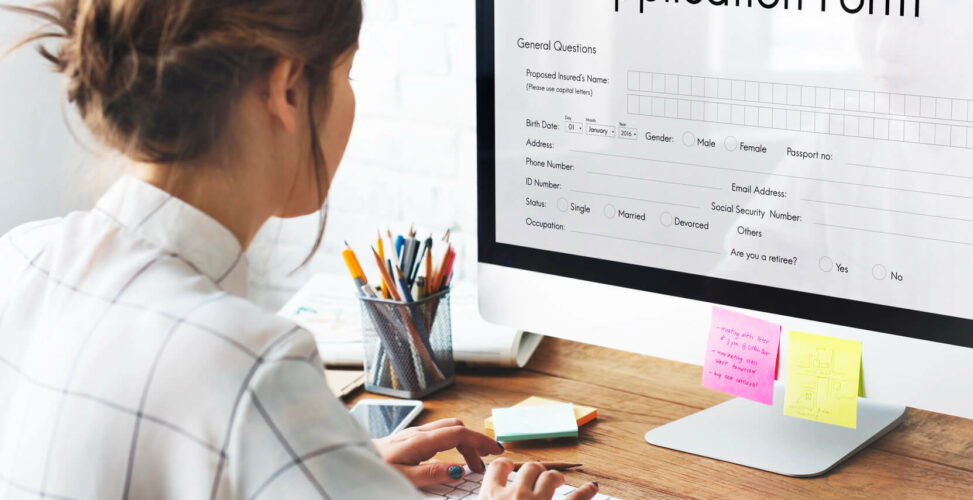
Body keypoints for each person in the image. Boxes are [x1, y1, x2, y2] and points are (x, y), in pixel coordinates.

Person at [0, 1, 599, 499]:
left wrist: (323, 462)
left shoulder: (19, 259)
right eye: (346, 75)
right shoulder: (249, 362)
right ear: (286, 88)